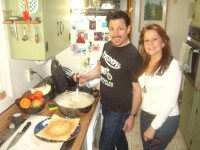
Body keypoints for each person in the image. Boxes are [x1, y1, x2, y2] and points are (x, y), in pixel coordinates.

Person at [75, 10, 142, 150]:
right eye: (111, 28)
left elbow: (137, 90)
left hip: (118, 109)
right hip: (105, 103)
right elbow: (101, 68)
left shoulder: (133, 56)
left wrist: (132, 115)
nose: (115, 33)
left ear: (128, 29)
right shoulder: (108, 45)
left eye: (120, 28)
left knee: (105, 145)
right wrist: (87, 76)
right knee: (118, 137)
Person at [138, 24, 182, 150]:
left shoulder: (172, 65)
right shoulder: (145, 62)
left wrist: (153, 127)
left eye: (154, 39)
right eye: (146, 40)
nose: (150, 43)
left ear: (163, 42)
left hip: (165, 119)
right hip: (145, 115)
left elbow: (170, 102)